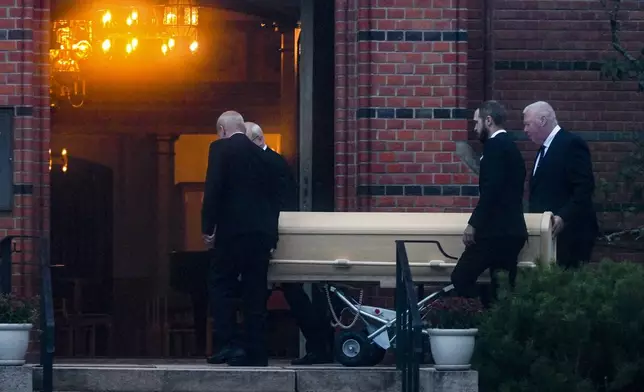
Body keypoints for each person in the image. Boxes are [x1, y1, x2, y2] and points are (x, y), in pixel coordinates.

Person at [245, 121, 338, 364]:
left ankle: (316, 345)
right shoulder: (273, 161)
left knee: (286, 294)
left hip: (276, 236)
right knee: (288, 294)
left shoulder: (268, 163)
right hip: (276, 234)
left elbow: (275, 203)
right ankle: (317, 345)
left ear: (255, 140)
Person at [202, 111, 280, 366]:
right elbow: (273, 197)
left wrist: (207, 227)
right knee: (255, 291)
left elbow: (213, 189)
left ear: (223, 130)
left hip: (233, 232)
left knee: (220, 284)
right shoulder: (264, 155)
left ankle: (228, 344)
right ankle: (257, 352)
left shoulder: (220, 149)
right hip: (261, 234)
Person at [450, 100, 528, 304]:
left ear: (489, 121)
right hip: (513, 231)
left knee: (461, 278)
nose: (475, 129)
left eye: (477, 123)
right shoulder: (511, 147)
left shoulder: (494, 147)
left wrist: (473, 224)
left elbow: (491, 191)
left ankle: (481, 314)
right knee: (502, 290)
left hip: (494, 232)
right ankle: (494, 322)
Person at [523, 101, 598, 268]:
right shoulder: (544, 149)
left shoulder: (571, 144)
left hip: (570, 234)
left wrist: (563, 216)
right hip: (549, 233)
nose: (525, 130)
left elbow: (584, 187)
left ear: (542, 120)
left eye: (528, 124)